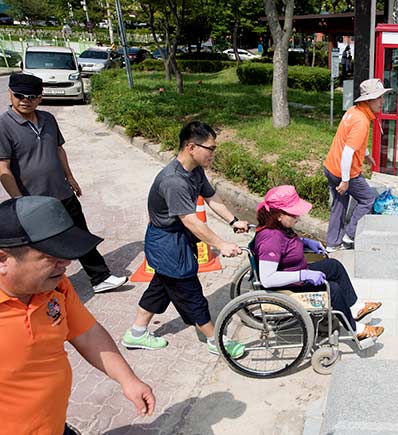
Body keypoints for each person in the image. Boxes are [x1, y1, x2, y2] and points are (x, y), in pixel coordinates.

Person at [0, 196, 155, 435]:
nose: (67, 264)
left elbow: (88, 334)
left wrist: (128, 379)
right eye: (51, 257)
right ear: (3, 259)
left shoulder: (56, 287)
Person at [122, 121, 249, 357]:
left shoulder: (195, 170)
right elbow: (191, 221)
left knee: (161, 286)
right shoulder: (174, 181)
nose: (213, 153)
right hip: (167, 243)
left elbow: (211, 196)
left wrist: (233, 221)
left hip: (175, 238)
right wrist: (221, 244)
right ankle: (215, 341)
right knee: (190, 294)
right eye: (210, 148)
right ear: (191, 147)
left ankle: (137, 333)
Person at [0, 73, 127, 294]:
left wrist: (70, 177)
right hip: (35, 202)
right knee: (47, 248)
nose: (24, 100)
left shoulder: (48, 119)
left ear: (40, 98)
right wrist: (20, 202)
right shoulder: (4, 126)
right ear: (10, 94)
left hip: (62, 192)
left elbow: (58, 149)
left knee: (79, 234)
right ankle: (49, 290)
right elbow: (3, 168)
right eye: (19, 95)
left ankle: (100, 278)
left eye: (31, 96)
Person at [254, 185, 384, 339]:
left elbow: (285, 245)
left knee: (333, 266)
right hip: (287, 285)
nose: (297, 218)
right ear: (279, 215)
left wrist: (305, 242)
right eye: (293, 215)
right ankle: (356, 330)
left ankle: (354, 308)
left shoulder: (278, 227)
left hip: (294, 271)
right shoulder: (271, 239)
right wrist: (303, 275)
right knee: (333, 290)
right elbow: (268, 279)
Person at [323, 78, 391, 251]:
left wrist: (367, 155)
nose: (382, 101)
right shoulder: (361, 121)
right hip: (344, 171)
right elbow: (347, 153)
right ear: (368, 100)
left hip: (331, 166)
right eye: (379, 98)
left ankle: (332, 243)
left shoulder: (354, 111)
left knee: (339, 204)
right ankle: (348, 237)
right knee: (368, 199)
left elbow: (353, 141)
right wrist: (345, 180)